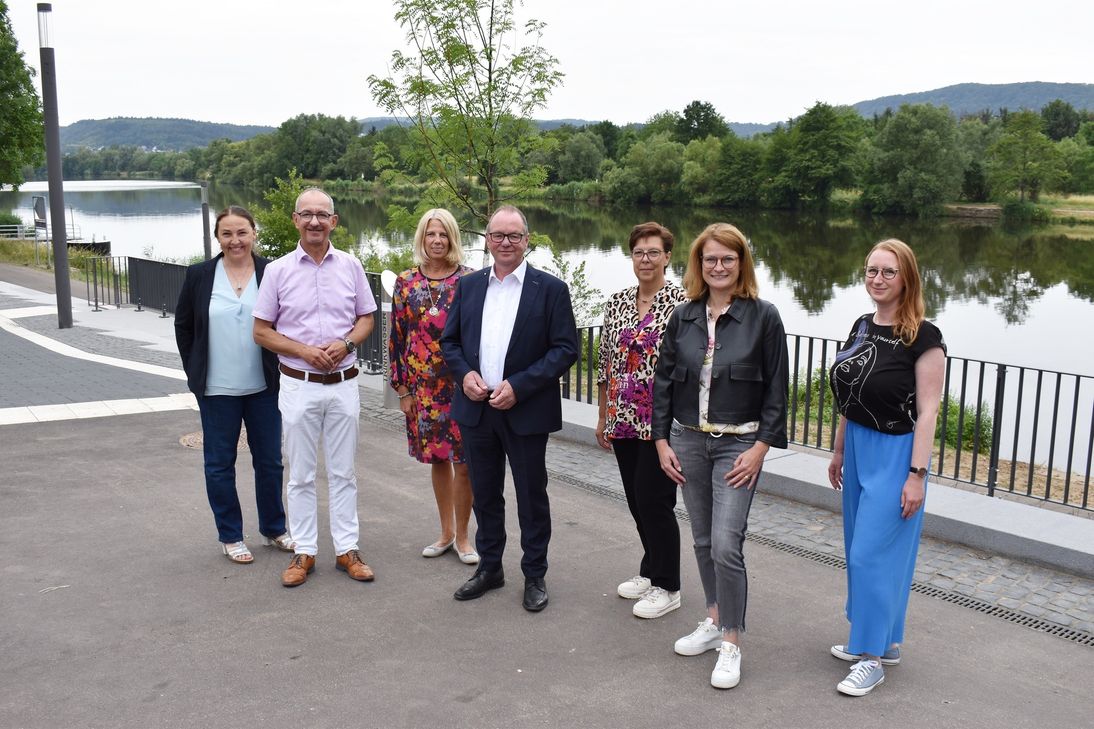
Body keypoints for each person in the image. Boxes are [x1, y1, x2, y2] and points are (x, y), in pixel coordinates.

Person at [652, 223, 788, 690]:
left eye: (728, 258)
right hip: (688, 441)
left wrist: (760, 448)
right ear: (699, 264)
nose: (719, 266)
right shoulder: (684, 316)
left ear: (741, 263)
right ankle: (713, 620)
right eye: (710, 258)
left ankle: (731, 641)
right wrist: (662, 441)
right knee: (704, 542)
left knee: (728, 545)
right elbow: (664, 382)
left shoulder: (763, 317)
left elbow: (776, 392)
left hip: (738, 445)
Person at [440, 205, 578, 612]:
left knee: (531, 496)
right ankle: (490, 567)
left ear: (527, 241)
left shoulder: (550, 289)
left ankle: (534, 574)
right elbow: (450, 343)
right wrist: (464, 375)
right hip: (477, 409)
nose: (505, 242)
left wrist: (520, 386)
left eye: (514, 236)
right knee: (485, 493)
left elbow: (565, 348)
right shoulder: (468, 286)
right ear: (486, 240)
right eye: (497, 235)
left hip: (525, 409)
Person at [826, 239, 945, 696]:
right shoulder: (861, 325)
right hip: (857, 448)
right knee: (860, 548)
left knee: (871, 554)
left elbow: (930, 412)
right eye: (871, 270)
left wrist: (916, 475)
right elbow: (850, 397)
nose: (877, 279)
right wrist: (838, 451)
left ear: (907, 278)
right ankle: (881, 642)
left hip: (896, 454)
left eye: (888, 272)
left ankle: (871, 658)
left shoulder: (924, 338)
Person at [252, 187, 377, 587]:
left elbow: (366, 319)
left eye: (322, 214)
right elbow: (261, 331)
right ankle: (304, 550)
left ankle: (347, 550)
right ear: (295, 220)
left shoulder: (352, 266)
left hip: (344, 384)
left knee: (344, 472)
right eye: (306, 214)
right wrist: (304, 350)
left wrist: (347, 343)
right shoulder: (277, 271)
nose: (314, 222)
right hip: (299, 384)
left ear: (334, 222)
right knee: (301, 474)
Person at [175, 205, 294, 564]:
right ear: (218, 238)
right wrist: (195, 368)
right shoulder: (200, 275)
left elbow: (288, 320)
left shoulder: (272, 271)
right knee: (219, 463)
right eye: (227, 234)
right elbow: (184, 326)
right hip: (216, 389)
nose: (235, 240)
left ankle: (274, 528)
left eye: (242, 232)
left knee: (271, 461)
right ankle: (230, 535)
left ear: (254, 233)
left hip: (264, 386)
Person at [596, 222, 688, 619]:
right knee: (636, 500)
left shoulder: (685, 304)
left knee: (655, 500)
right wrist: (603, 414)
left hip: (662, 423)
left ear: (668, 257)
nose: (645, 259)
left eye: (653, 252)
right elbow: (606, 362)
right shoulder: (617, 302)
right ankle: (651, 572)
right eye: (638, 252)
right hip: (622, 417)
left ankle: (669, 586)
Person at [388, 209, 477, 564]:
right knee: (438, 460)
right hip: (422, 389)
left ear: (452, 238)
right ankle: (445, 533)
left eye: (443, 234)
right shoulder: (406, 282)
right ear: (422, 239)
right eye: (430, 234)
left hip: (462, 385)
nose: (437, 240)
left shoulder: (470, 280)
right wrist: (403, 390)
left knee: (465, 463)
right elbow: (395, 337)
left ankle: (464, 537)